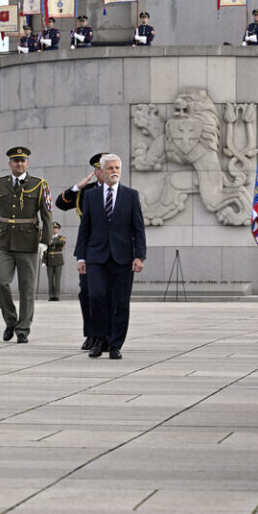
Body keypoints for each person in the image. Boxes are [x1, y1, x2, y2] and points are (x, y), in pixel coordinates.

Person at [76, 153, 146, 360]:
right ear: (102, 172)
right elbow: (84, 229)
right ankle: (99, 339)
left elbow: (138, 228)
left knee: (120, 302)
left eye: (117, 168)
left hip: (123, 257)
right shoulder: (90, 196)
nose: (114, 171)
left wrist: (139, 256)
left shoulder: (130, 195)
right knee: (96, 297)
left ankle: (115, 344)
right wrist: (81, 257)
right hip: (96, 257)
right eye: (110, 168)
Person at [0, 146, 52, 344]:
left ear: (27, 163)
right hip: (5, 242)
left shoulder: (39, 184)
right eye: (16, 161)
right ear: (10, 163)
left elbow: (47, 216)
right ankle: (10, 320)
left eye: (22, 161)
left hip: (29, 242)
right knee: (0, 282)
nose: (19, 164)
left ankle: (23, 329)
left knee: (27, 289)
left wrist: (45, 242)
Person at [55, 152, 107, 349]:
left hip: (111, 248)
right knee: (87, 293)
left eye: (106, 167)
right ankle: (91, 333)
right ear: (95, 171)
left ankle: (106, 335)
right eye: (99, 168)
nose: (102, 172)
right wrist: (77, 187)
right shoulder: (86, 191)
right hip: (90, 247)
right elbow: (61, 204)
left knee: (106, 294)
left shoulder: (121, 191)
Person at [45, 221, 66, 301]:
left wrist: (52, 242)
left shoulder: (61, 237)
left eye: (56, 228)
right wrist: (44, 261)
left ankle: (56, 295)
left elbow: (61, 243)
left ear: (59, 229)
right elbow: (45, 248)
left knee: (57, 278)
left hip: (58, 260)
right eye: (53, 228)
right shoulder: (48, 237)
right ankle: (51, 295)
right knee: (50, 279)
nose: (54, 230)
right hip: (49, 259)